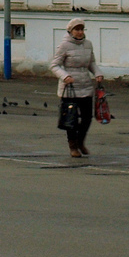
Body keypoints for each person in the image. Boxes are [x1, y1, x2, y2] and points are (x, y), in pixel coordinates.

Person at [49, 17, 102, 157]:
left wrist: (98, 73)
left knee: (87, 118)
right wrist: (65, 76)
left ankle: (80, 142)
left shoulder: (88, 44)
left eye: (81, 29)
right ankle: (73, 146)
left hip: (85, 85)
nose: (79, 32)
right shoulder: (64, 45)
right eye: (76, 30)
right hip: (70, 88)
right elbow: (54, 65)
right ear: (70, 31)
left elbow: (92, 63)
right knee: (71, 119)